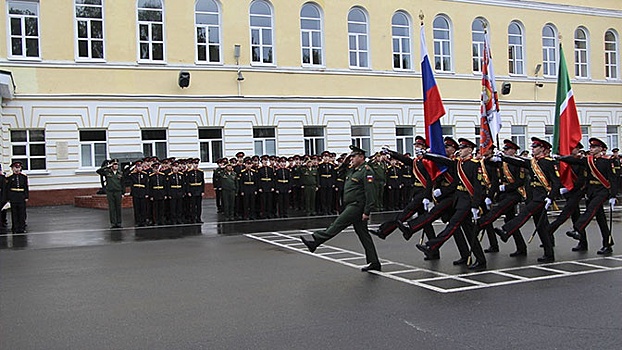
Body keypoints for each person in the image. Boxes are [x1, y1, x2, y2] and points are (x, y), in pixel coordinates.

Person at [301, 145, 381, 272]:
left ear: (361, 157)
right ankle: (374, 262)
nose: (352, 159)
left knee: (337, 224)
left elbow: (370, 193)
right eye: (351, 157)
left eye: (354, 156)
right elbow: (341, 172)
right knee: (363, 235)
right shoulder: (353, 170)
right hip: (350, 204)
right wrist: (345, 161)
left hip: (357, 206)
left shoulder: (367, 171)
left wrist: (367, 211)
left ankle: (316, 240)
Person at [415, 138, 487, 270]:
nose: (461, 150)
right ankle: (478, 258)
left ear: (470, 150)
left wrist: (476, 206)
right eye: (460, 147)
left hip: (468, 202)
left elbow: (478, 187)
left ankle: (432, 245)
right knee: (469, 233)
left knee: (453, 225)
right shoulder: (459, 163)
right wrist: (426, 155)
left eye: (463, 147)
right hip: (459, 201)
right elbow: (444, 161)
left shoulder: (475, 164)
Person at [494, 137, 560, 263]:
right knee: (541, 226)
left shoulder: (549, 162)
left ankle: (506, 230)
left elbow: (556, 182)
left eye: (535, 147)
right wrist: (502, 157)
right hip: (533, 196)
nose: (533, 149)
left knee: (525, 213)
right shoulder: (532, 162)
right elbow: (518, 162)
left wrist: (551, 197)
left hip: (542, 197)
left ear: (542, 149)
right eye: (533, 147)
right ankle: (549, 253)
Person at [563, 138, 618, 255]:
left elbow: (613, 179)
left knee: (590, 210)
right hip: (592, 191)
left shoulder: (608, 161)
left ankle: (577, 229)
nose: (591, 149)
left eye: (594, 147)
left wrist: (613, 195)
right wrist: (561, 158)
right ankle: (607, 244)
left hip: (602, 191)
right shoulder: (589, 160)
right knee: (601, 219)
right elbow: (574, 161)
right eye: (591, 147)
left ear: (600, 149)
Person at [477, 139, 528, 257]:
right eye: (504, 149)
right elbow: (491, 168)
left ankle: (481, 224)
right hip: (503, 194)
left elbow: (520, 181)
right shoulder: (501, 162)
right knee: (510, 220)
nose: (505, 151)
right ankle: (521, 247)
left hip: (515, 193)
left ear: (514, 151)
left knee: (499, 209)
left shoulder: (518, 163)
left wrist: (506, 188)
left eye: (507, 149)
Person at [96, 159, 124, 228]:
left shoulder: (120, 173)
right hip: (110, 192)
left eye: (116, 164)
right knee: (112, 208)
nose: (116, 166)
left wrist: (123, 192)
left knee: (118, 207)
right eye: (114, 164)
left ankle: (119, 222)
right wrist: (107, 166)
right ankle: (113, 223)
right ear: (111, 165)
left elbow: (123, 184)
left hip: (118, 191)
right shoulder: (107, 172)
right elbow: (98, 171)